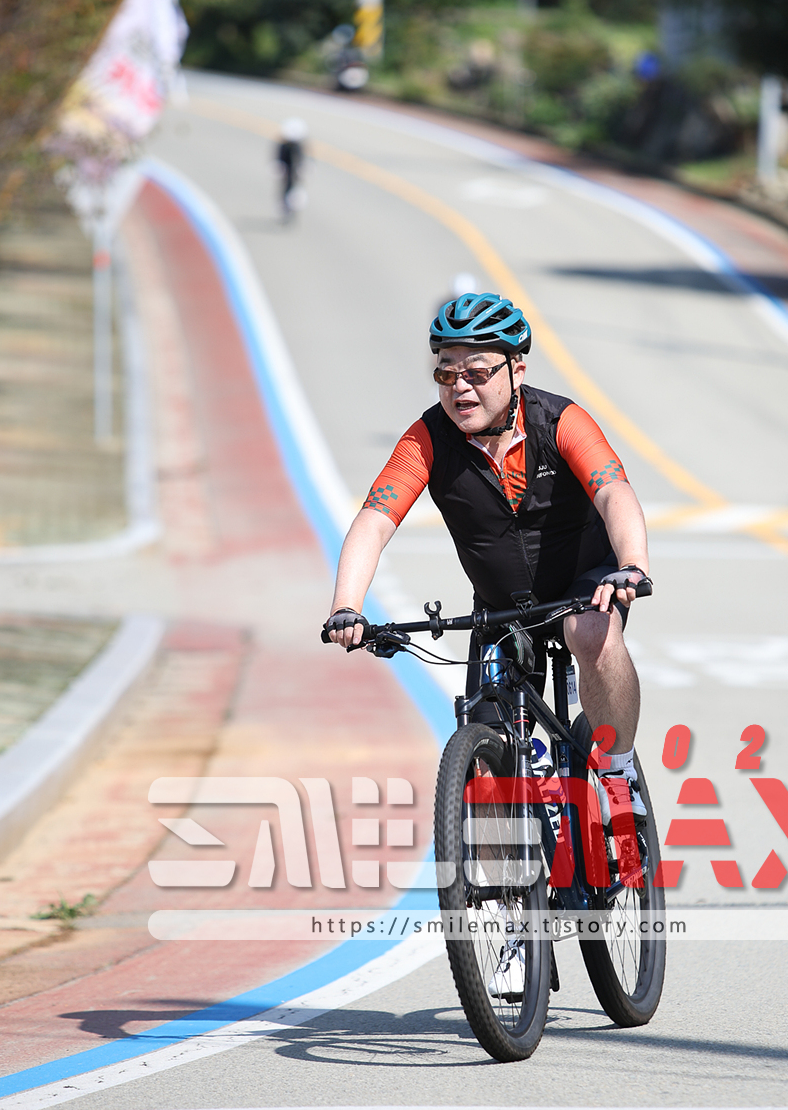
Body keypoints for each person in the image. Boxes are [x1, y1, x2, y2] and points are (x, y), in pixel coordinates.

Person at [321, 285, 653, 807]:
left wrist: (631, 565)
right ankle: (510, 856)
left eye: (477, 373)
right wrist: (347, 605)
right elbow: (374, 521)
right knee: (484, 776)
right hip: (501, 609)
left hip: (584, 588)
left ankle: (618, 774)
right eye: (446, 374)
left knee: (590, 631)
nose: (460, 388)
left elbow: (614, 491)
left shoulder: (560, 421)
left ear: (516, 370)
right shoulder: (427, 439)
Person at [275, 118, 307, 222]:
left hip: (295, 172)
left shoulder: (299, 146)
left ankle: (292, 207)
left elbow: (302, 158)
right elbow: (280, 157)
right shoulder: (284, 146)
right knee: (285, 187)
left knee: (296, 188)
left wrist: (303, 168)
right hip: (286, 171)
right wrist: (278, 166)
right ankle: (284, 206)